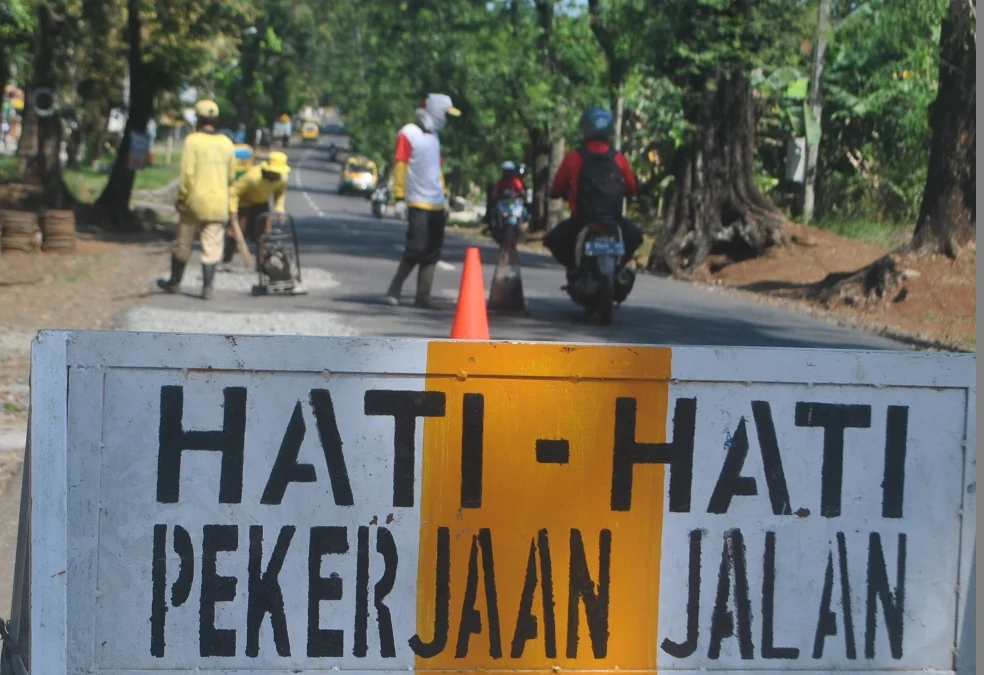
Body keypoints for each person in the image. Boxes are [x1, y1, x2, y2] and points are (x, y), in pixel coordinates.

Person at [544, 107, 643, 280]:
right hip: (614, 219)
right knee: (635, 237)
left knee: (552, 240)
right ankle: (619, 266)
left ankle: (574, 268)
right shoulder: (618, 158)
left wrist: (556, 193)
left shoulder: (574, 157)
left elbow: (558, 186)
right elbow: (631, 186)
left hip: (583, 218)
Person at [384, 93, 461, 309]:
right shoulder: (409, 133)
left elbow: (437, 170)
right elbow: (400, 166)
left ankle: (423, 297)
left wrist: (444, 197)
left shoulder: (435, 137)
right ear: (435, 111)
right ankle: (395, 288)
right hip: (417, 200)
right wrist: (399, 197)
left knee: (433, 251)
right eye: (446, 114)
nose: (447, 119)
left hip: (436, 201)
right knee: (416, 248)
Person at [156, 99, 236, 300]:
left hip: (194, 202)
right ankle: (207, 288)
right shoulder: (227, 143)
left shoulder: (192, 141)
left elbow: (187, 175)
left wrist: (182, 198)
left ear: (199, 119)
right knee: (212, 246)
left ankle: (174, 282)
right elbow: (231, 176)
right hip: (218, 203)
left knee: (183, 243)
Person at [222, 150, 291, 267]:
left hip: (261, 203)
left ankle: (262, 262)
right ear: (268, 170)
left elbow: (280, 193)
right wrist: (233, 212)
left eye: (278, 174)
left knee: (264, 234)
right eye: (274, 173)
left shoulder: (282, 179)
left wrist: (279, 208)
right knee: (236, 232)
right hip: (244, 202)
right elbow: (234, 191)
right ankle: (227, 260)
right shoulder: (253, 177)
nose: (275, 177)